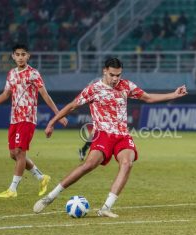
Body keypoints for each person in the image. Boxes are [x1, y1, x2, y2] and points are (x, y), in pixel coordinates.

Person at [33, 58, 187, 217]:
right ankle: (50, 197)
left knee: (127, 163)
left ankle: (106, 207)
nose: (115, 79)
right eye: (112, 75)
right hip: (103, 135)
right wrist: (52, 122)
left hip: (122, 135)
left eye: (118, 75)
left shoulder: (126, 85)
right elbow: (72, 105)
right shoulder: (94, 89)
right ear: (105, 71)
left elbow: (148, 98)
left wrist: (174, 94)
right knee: (89, 165)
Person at [0, 44, 68, 198]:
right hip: (14, 118)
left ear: (28, 56)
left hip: (27, 118)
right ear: (13, 56)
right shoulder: (11, 74)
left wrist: (59, 115)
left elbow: (45, 95)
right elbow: (5, 94)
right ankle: (41, 177)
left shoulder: (33, 74)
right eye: (17, 54)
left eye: (23, 54)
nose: (20, 57)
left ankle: (12, 190)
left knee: (20, 152)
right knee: (13, 154)